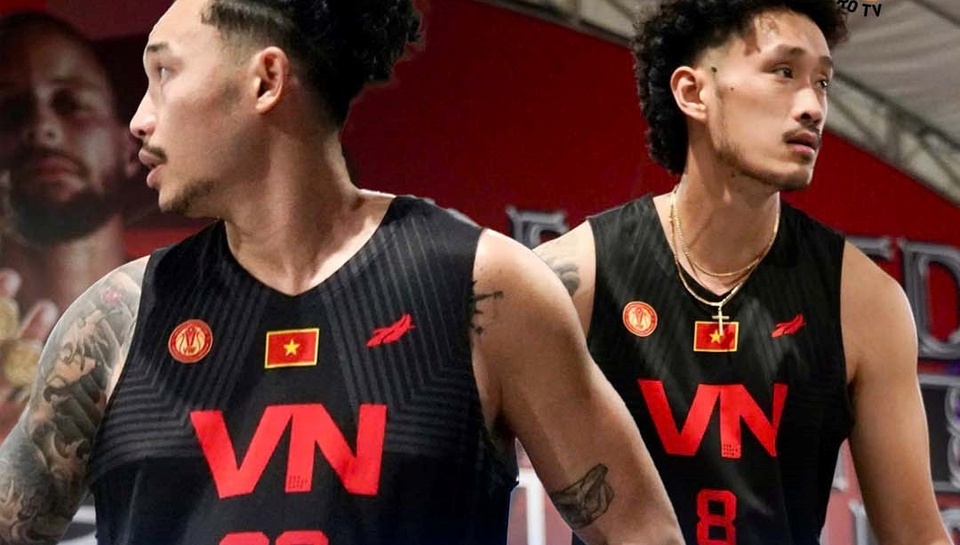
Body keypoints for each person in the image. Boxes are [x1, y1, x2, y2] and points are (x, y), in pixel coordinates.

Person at [0, 1, 683, 544]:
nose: (139, 119)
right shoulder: (114, 320)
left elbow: (642, 532)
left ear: (265, 80)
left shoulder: (485, 288)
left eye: (164, 73)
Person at [535, 1, 951, 544]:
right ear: (693, 92)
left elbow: (916, 535)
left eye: (822, 82)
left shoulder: (864, 302)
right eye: (784, 71)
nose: (813, 107)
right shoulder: (575, 277)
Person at [0, 12, 140, 435]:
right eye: (8, 111)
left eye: (70, 103)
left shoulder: (203, 318)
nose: (41, 128)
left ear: (128, 146)